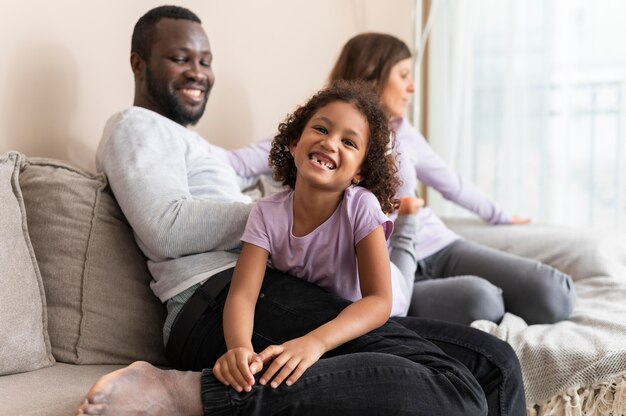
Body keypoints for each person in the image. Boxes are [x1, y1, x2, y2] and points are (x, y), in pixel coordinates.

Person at [76, 6, 526, 416]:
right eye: (181, 58)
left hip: (277, 288)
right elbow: (164, 228)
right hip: (210, 299)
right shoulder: (135, 125)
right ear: (139, 63)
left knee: (496, 364)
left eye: (206, 61)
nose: (198, 72)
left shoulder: (200, 147)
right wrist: (289, 212)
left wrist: (304, 206)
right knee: (455, 390)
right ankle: (187, 394)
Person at [230, 32, 577, 326]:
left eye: (350, 141)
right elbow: (237, 161)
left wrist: (500, 214)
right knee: (481, 302)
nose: (412, 86)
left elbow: (451, 181)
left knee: (553, 295)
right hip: (380, 265)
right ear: (373, 72)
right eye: (404, 74)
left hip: (432, 243)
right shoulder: (316, 135)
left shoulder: (405, 135)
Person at [215, 81, 404, 392]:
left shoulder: (361, 206)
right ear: (294, 142)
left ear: (360, 172)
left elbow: (379, 301)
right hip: (320, 306)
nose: (330, 144)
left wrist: (315, 342)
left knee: (408, 271)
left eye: (349, 142)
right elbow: (243, 295)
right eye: (321, 129)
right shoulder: (266, 213)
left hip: (390, 297)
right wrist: (239, 347)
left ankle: (409, 231)